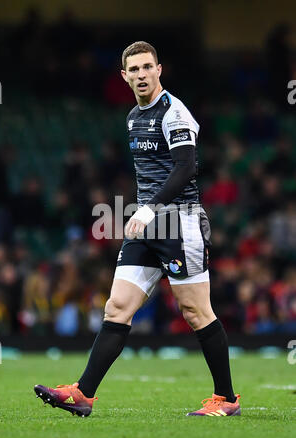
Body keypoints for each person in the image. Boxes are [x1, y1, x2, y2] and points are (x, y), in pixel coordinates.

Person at [34, 41, 240, 417]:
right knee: (117, 307)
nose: (142, 74)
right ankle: (83, 395)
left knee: (196, 312)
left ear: (159, 69)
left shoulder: (174, 112)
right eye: (135, 69)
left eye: (148, 67)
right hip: (147, 226)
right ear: (124, 75)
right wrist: (143, 215)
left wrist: (147, 209)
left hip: (179, 222)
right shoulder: (132, 116)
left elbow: (185, 168)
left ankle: (226, 400)